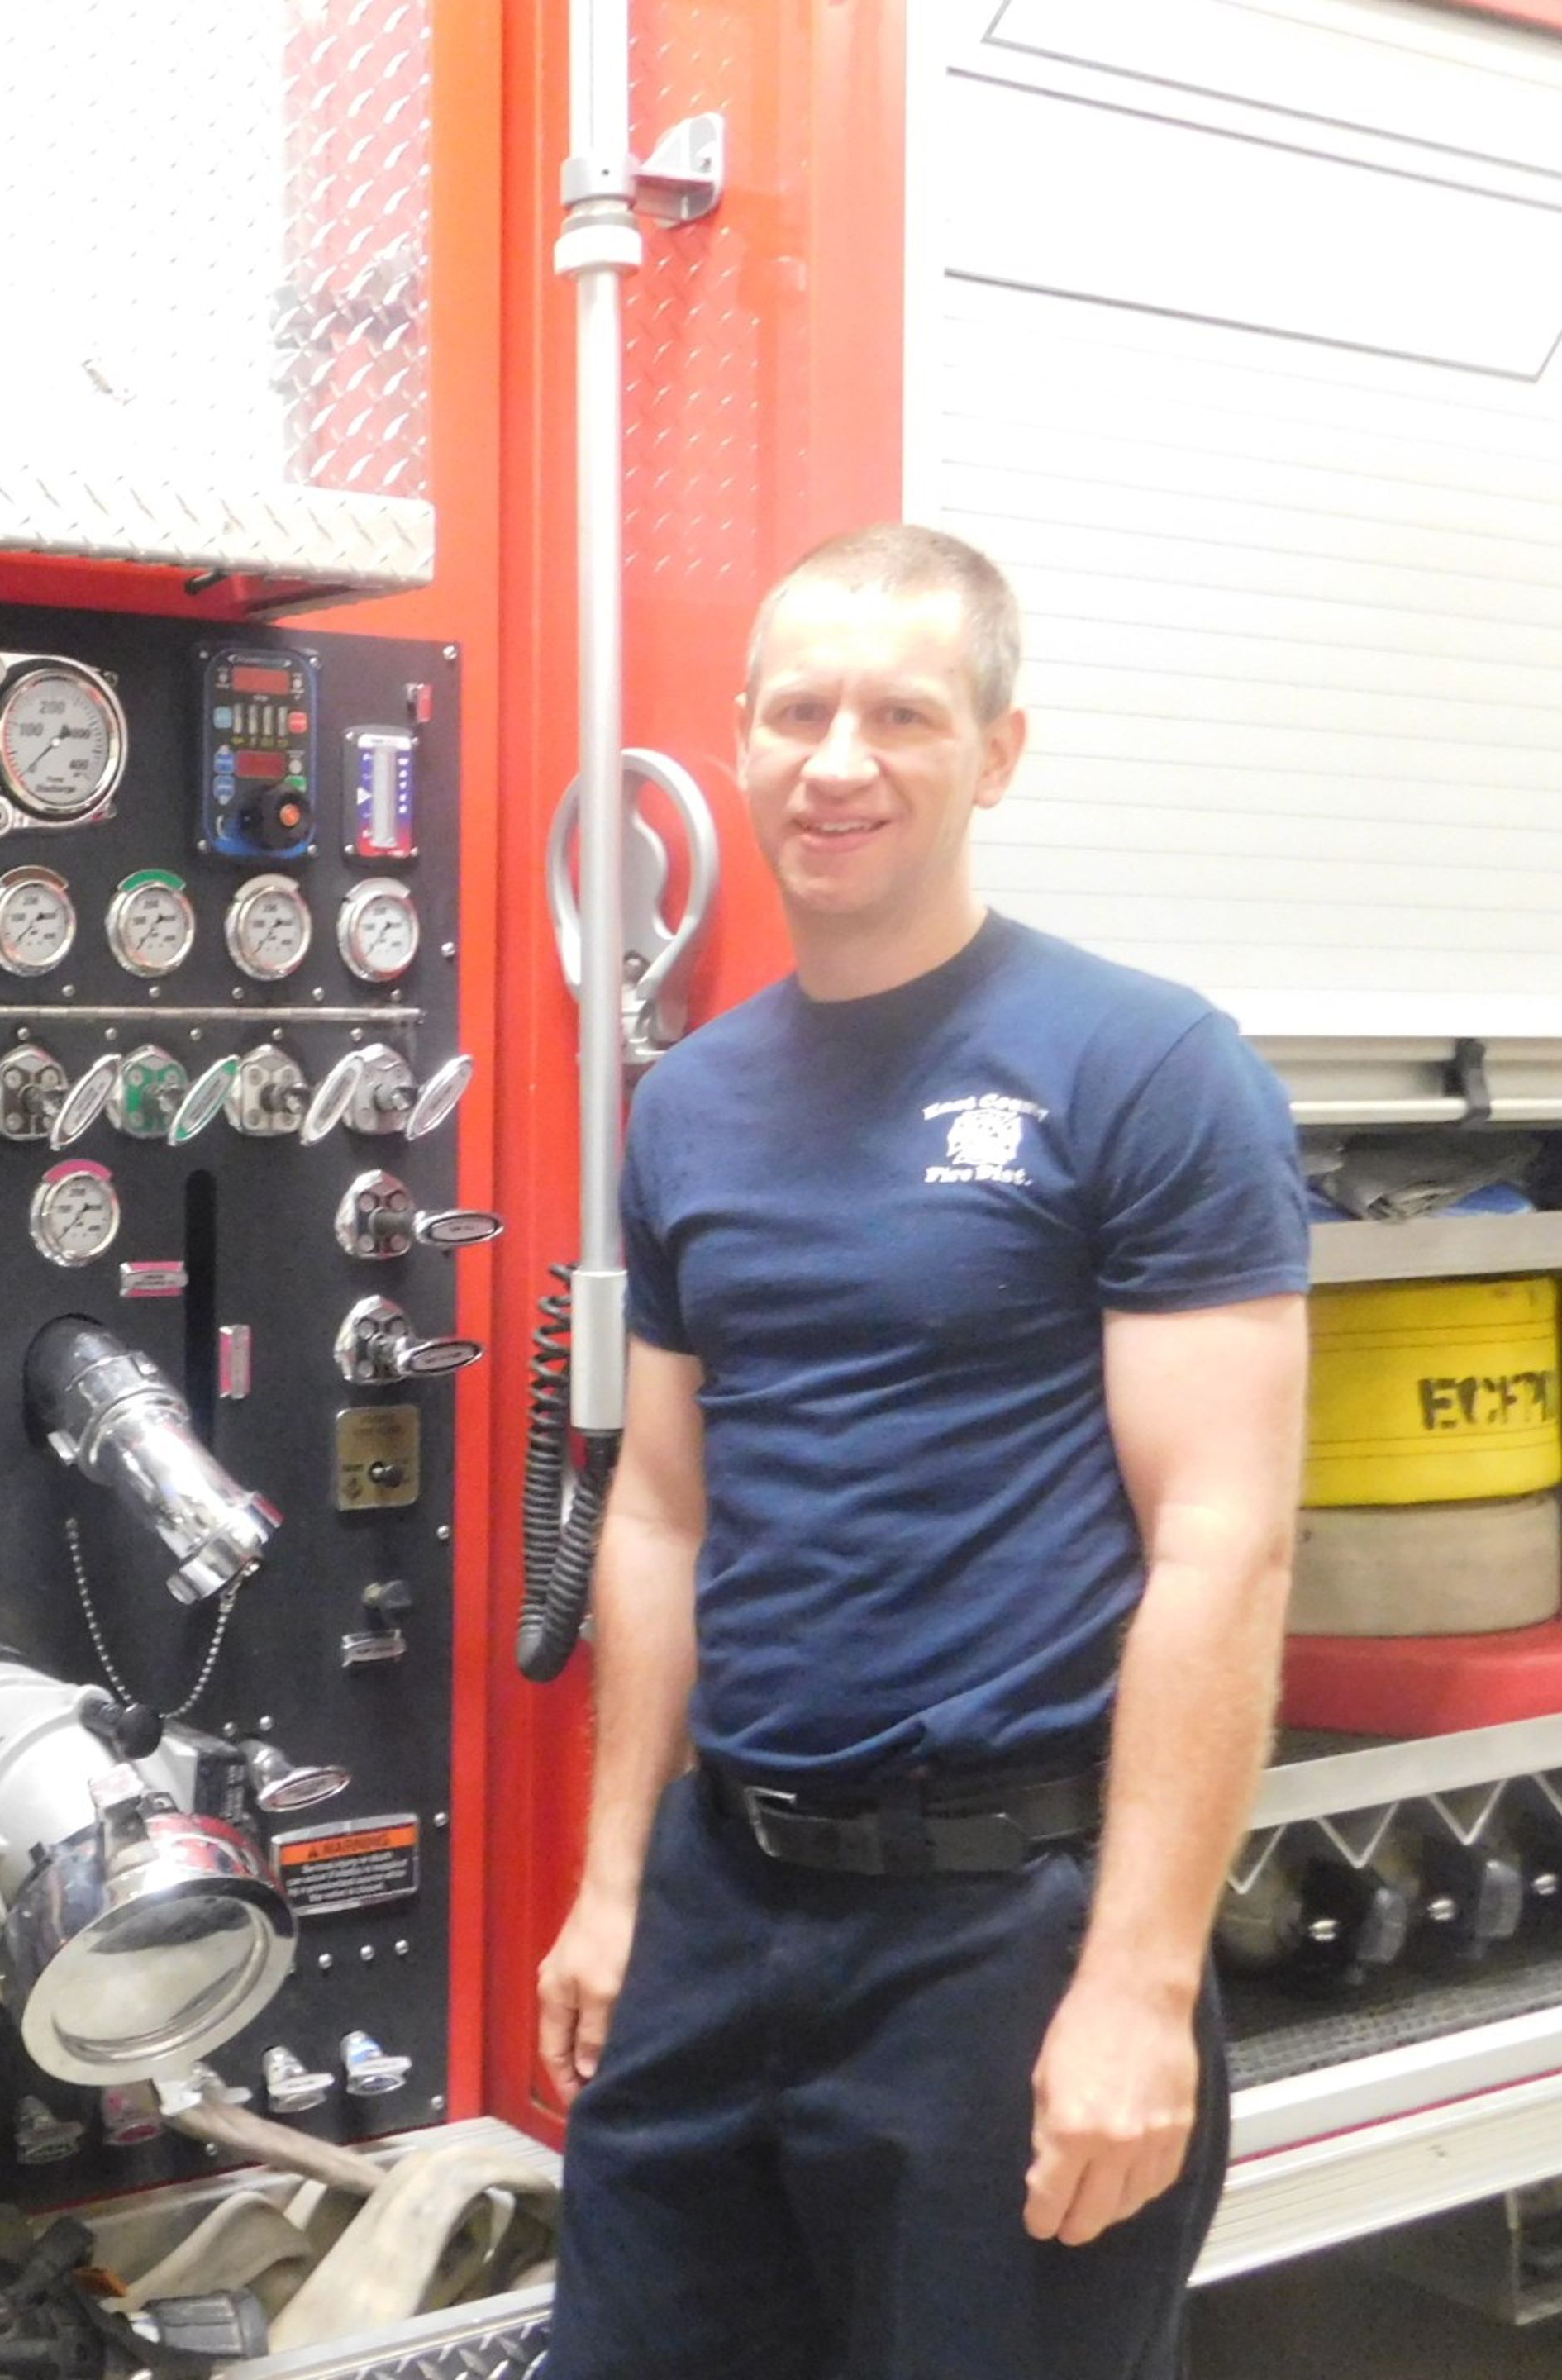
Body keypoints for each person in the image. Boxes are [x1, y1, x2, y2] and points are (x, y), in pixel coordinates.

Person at [533, 524, 1309, 2379]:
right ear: (738, 742)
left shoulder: (1141, 1066)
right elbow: (656, 1511)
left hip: (1004, 1939)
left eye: (903, 714)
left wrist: (1139, 1984)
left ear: (999, 753)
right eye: (799, 712)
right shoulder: (698, 1098)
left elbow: (1223, 1546)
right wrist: (619, 1882)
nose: (841, 761)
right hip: (725, 1907)